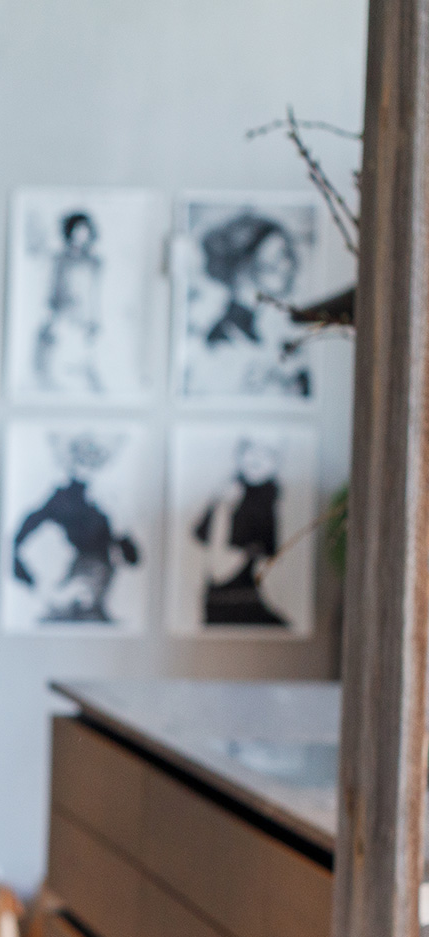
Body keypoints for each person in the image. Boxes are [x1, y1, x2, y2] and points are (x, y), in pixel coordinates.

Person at [10, 432, 140, 624]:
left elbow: (133, 558)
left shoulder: (109, 502)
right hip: (72, 579)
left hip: (100, 581)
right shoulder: (63, 498)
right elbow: (18, 540)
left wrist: (120, 522)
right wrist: (36, 584)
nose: (88, 468)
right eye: (82, 460)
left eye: (94, 461)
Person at [184, 210, 311, 397]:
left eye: (287, 255)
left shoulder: (275, 328)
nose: (288, 266)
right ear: (244, 266)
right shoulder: (222, 342)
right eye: (278, 257)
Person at [193, 438, 288, 627]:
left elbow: (270, 551)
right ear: (240, 456)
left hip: (249, 590)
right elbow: (205, 540)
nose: (257, 460)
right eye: (252, 452)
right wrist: (223, 508)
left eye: (266, 454)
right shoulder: (229, 493)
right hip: (225, 589)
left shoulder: (270, 497)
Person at [32, 211, 103, 393]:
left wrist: (94, 321)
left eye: (85, 231)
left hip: (85, 322)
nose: (81, 235)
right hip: (64, 320)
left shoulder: (94, 263)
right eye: (78, 230)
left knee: (86, 368)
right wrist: (53, 319)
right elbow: (53, 292)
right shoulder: (60, 261)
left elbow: (96, 295)